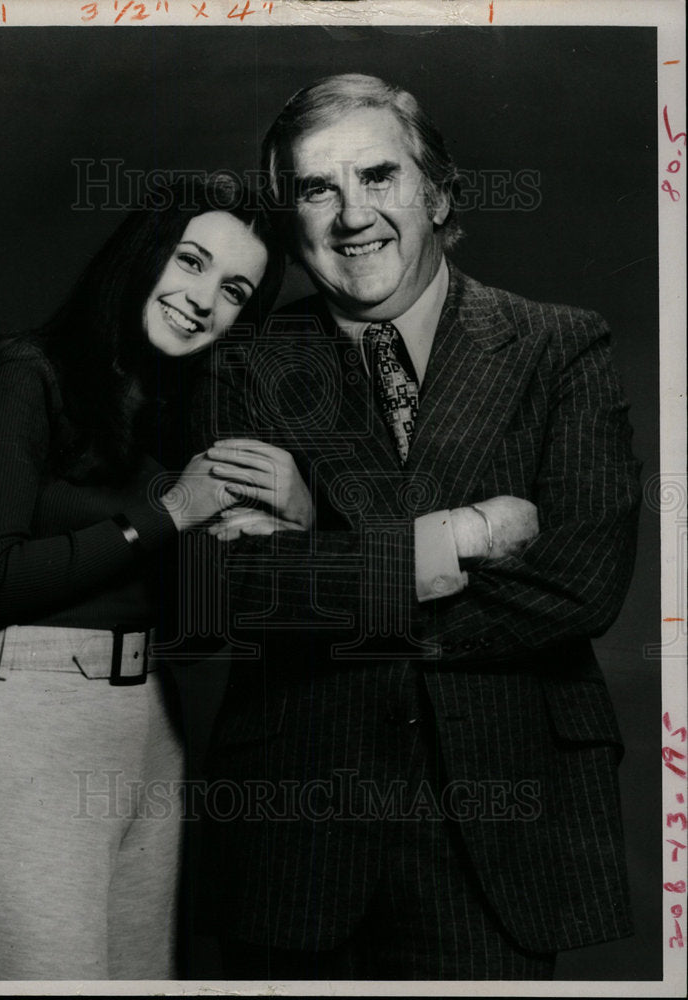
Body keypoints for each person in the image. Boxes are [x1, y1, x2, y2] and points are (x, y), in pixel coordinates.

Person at [193, 74, 641, 980]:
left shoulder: (561, 346)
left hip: (495, 829)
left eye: (378, 177)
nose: (352, 216)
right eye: (318, 189)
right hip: (297, 833)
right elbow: (226, 590)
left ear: (437, 191)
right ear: (291, 217)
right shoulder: (247, 360)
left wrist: (323, 573)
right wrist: (454, 542)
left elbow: (579, 583)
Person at [0, 175, 287, 980]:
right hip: (35, 713)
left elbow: (196, 638)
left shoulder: (181, 418)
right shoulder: (23, 374)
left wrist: (244, 537)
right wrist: (169, 516)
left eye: (233, 291)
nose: (202, 300)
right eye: (190, 262)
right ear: (143, 254)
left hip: (151, 721)